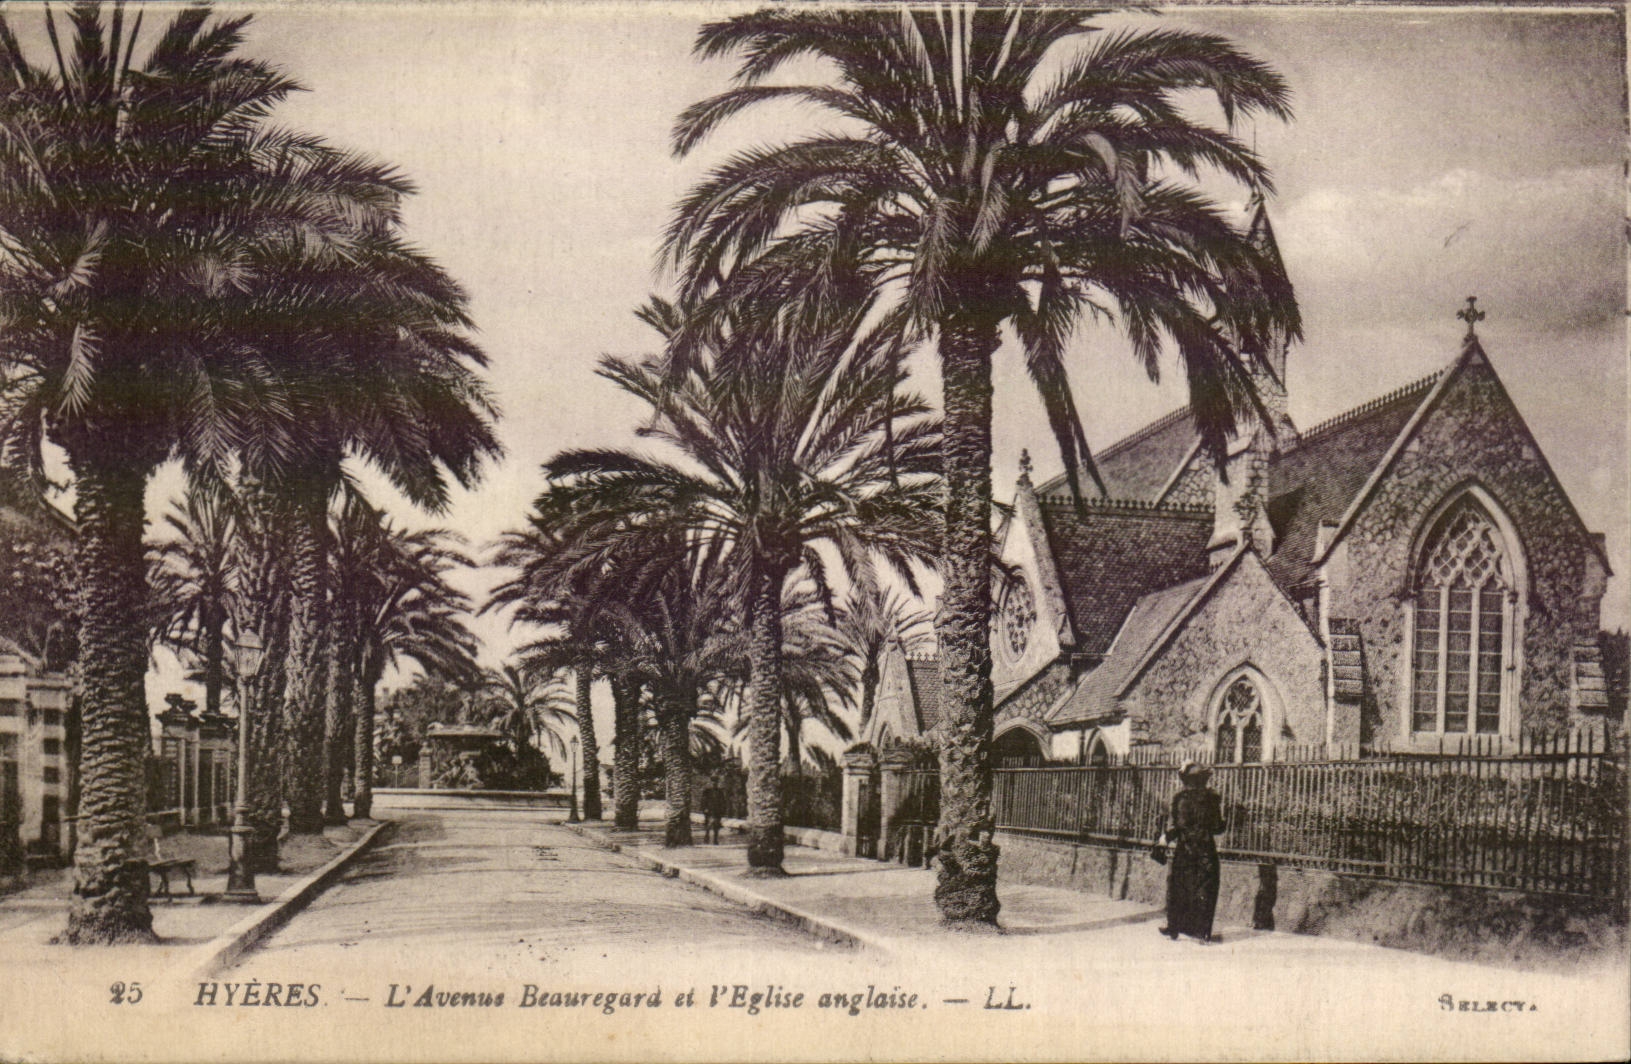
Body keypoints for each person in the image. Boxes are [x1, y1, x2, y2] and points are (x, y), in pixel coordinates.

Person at [1160, 760, 1225, 943]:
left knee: (1178, 888)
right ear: (1204, 779)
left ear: (1185, 780)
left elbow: (1175, 827)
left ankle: (1174, 928)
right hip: (1206, 849)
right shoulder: (1212, 799)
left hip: (1185, 849)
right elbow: (1217, 827)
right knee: (1205, 890)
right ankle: (1203, 933)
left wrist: (1164, 839)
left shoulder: (1180, 799)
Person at [700, 775, 725, 845]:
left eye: (716, 782)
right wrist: (704, 808)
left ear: (717, 783)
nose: (714, 783)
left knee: (716, 825)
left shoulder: (720, 792)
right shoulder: (707, 791)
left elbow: (723, 801)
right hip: (709, 810)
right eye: (713, 782)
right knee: (708, 824)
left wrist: (723, 809)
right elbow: (703, 800)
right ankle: (706, 836)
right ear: (711, 782)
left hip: (717, 810)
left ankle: (715, 839)